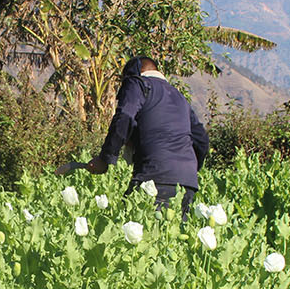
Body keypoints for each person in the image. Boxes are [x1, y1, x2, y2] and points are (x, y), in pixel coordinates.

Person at [85, 56, 209, 213]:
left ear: (134, 73)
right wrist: (187, 169)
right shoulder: (179, 96)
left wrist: (105, 158)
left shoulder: (138, 83)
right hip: (187, 182)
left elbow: (125, 116)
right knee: (173, 233)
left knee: (130, 224)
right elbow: (202, 140)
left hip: (154, 176)